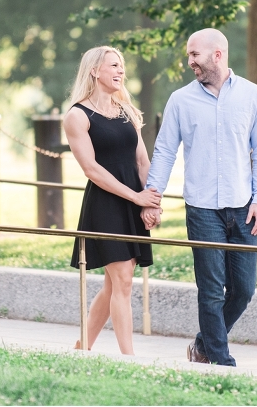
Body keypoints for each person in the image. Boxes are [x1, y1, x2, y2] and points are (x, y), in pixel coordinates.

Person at [142, 28, 257, 367]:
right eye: (189, 55)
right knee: (212, 290)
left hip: (244, 207)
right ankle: (220, 362)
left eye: (194, 54)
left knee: (243, 289)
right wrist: (152, 199)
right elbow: (165, 151)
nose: (190, 61)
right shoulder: (180, 100)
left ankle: (203, 344)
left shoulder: (253, 96)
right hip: (202, 209)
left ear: (217, 55)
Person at [64, 46, 162, 355]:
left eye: (122, 66)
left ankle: (82, 347)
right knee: (123, 281)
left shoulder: (126, 111)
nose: (121, 71)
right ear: (95, 71)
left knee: (113, 285)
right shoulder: (77, 116)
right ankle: (128, 359)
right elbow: (91, 169)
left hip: (134, 202)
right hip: (105, 205)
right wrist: (136, 197)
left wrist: (150, 203)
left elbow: (142, 161)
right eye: (114, 65)